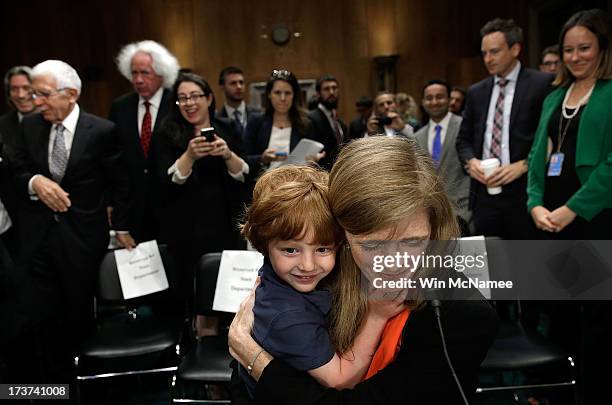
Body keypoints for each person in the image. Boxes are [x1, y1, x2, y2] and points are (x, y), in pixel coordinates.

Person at [229, 136, 499, 404]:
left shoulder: (461, 314)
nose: (393, 262)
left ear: (435, 228)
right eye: (371, 245)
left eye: (413, 241)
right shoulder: (320, 268)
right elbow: (244, 374)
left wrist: (256, 360)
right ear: (340, 232)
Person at [11, 60, 133, 383]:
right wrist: (35, 180)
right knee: (42, 321)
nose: (36, 102)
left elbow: (121, 183)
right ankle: (55, 388)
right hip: (36, 242)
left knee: (78, 319)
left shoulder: (102, 131)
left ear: (72, 94)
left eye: (44, 94)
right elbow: (15, 169)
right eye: (34, 94)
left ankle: (87, 384)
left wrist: (121, 226)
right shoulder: (30, 127)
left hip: (81, 241)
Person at [238, 165, 402, 396]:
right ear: (265, 246)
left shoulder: (286, 275)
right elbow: (340, 380)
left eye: (323, 249)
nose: (308, 265)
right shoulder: (287, 316)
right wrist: (376, 316)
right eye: (291, 250)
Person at [527, 11, 612, 404]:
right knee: (556, 312)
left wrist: (572, 209)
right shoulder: (555, 97)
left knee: (595, 320)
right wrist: (535, 204)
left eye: (585, 48)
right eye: (568, 50)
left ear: (602, 48)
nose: (575, 57)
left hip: (594, 221)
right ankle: (555, 392)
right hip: (550, 222)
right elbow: (537, 156)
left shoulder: (611, 93)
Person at [153, 72, 248, 322]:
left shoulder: (226, 128)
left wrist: (227, 154)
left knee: (230, 300)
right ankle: (199, 347)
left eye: (195, 96)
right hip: (186, 229)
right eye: (182, 98)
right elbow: (163, 182)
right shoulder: (167, 132)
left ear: (208, 98)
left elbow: (245, 174)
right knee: (198, 303)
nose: (189, 103)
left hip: (225, 225)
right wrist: (189, 156)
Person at [456, 18, 553, 239]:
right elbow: (463, 141)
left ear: (515, 48)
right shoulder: (476, 92)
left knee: (527, 263)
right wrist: (471, 163)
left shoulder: (542, 84)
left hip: (525, 193)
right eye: (484, 53)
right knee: (490, 266)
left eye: (495, 52)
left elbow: (552, 138)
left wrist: (524, 165)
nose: (488, 59)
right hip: (483, 196)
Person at [109, 40, 179, 242]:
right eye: (134, 73)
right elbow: (115, 162)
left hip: (173, 209)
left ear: (161, 73)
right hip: (134, 212)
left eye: (145, 73)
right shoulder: (120, 107)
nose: (138, 80)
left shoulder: (178, 104)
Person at [414, 80, 471, 234]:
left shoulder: (465, 126)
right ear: (423, 102)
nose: (434, 102)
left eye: (439, 97)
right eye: (429, 98)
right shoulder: (418, 136)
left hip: (464, 213)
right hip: (432, 217)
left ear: (449, 99)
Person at [244, 69, 314, 175]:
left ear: (294, 95)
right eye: (277, 93)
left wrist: (312, 160)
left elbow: (309, 159)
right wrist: (262, 158)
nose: (282, 98)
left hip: (294, 185)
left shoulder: (305, 124)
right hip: (262, 184)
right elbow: (244, 159)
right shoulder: (256, 121)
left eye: (287, 93)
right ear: (269, 94)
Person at [217, 66, 262, 139]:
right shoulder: (217, 120)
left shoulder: (258, 114)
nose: (239, 87)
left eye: (241, 82)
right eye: (233, 83)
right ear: (222, 87)